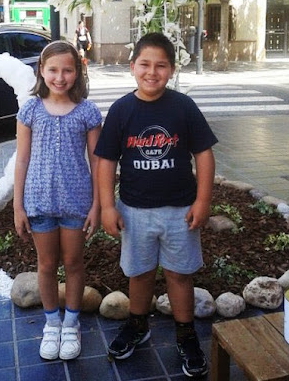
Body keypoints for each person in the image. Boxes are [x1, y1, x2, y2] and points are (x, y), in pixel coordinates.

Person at [95, 32, 217, 378]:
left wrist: (203, 199)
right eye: (145, 64)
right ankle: (137, 325)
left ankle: (186, 334)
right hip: (134, 212)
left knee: (179, 274)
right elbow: (105, 161)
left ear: (172, 69)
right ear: (132, 67)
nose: (152, 72)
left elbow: (204, 153)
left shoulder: (182, 106)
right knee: (140, 272)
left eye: (160, 65)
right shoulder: (121, 110)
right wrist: (107, 206)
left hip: (180, 211)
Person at [13, 41, 102, 361]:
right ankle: (52, 323)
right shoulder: (30, 110)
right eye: (53, 70)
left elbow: (98, 162)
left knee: (75, 265)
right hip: (38, 202)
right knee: (47, 265)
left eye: (67, 70)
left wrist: (97, 205)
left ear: (77, 72)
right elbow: (21, 160)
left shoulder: (88, 112)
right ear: (41, 70)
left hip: (77, 203)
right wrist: (17, 206)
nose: (60, 77)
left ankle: (72, 323)